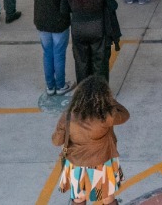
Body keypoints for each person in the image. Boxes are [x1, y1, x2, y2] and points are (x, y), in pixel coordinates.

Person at [52, 75, 129, 205]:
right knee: (107, 198)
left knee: (79, 199)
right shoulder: (107, 116)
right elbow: (125, 114)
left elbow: (56, 141)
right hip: (102, 164)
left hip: (76, 164)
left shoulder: (68, 116)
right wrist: (109, 101)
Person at [65, 0, 121, 84]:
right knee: (100, 63)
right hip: (98, 29)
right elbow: (113, 6)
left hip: (78, 30)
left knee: (81, 63)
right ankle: (100, 92)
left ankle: (84, 91)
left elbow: (64, 10)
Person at [32, 0, 73, 96]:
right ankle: (61, 85)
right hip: (59, 23)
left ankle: (50, 86)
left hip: (41, 21)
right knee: (59, 53)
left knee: (47, 53)